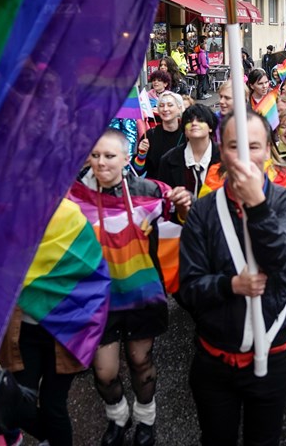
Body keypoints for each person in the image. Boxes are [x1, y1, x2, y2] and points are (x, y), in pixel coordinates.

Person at [176, 111, 286, 446]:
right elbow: (189, 289)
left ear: (268, 149)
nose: (245, 157)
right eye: (235, 146)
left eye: (254, 146)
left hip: (272, 353)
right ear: (221, 148)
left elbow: (281, 261)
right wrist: (230, 285)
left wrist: (258, 205)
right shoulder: (203, 212)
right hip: (214, 358)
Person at [76, 129, 192, 446]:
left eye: (110, 156)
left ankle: (146, 418)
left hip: (142, 297)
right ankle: (118, 415)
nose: (101, 163)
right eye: (96, 155)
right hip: (98, 301)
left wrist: (183, 205)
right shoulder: (74, 196)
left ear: (126, 159)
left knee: (141, 362)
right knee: (105, 373)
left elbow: (183, 221)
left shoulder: (150, 190)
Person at [0, 200, 107, 446]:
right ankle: (51, 438)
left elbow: (93, 274)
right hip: (22, 332)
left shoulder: (71, 218)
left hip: (65, 332)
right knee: (18, 403)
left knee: (53, 405)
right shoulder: (7, 219)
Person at [160, 104, 220, 197]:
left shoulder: (225, 157)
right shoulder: (168, 160)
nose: (194, 123)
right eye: (189, 121)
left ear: (210, 127)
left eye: (200, 120)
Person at [133, 91, 186, 182]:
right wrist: (142, 154)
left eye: (170, 105)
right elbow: (138, 170)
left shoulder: (187, 134)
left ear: (179, 108)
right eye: (161, 106)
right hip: (156, 189)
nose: (165, 109)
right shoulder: (150, 135)